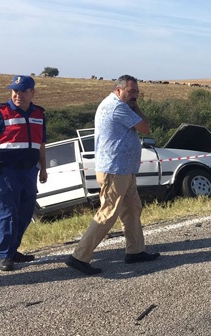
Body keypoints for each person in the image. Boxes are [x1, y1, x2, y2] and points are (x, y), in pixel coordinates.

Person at [65, 74, 159, 275]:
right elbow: (145, 128)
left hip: (124, 169)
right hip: (115, 170)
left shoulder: (118, 105)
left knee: (132, 208)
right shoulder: (118, 107)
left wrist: (133, 104)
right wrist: (136, 107)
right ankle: (79, 256)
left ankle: (135, 251)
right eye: (131, 91)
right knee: (108, 213)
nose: (135, 96)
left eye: (137, 92)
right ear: (119, 89)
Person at [0, 75, 48, 272]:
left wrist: (44, 168)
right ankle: (5, 255)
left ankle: (13, 250)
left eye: (23, 91)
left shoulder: (39, 114)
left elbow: (41, 143)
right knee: (6, 214)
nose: (18, 95)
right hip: (4, 173)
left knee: (24, 213)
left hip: (29, 172)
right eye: (15, 91)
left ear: (32, 93)